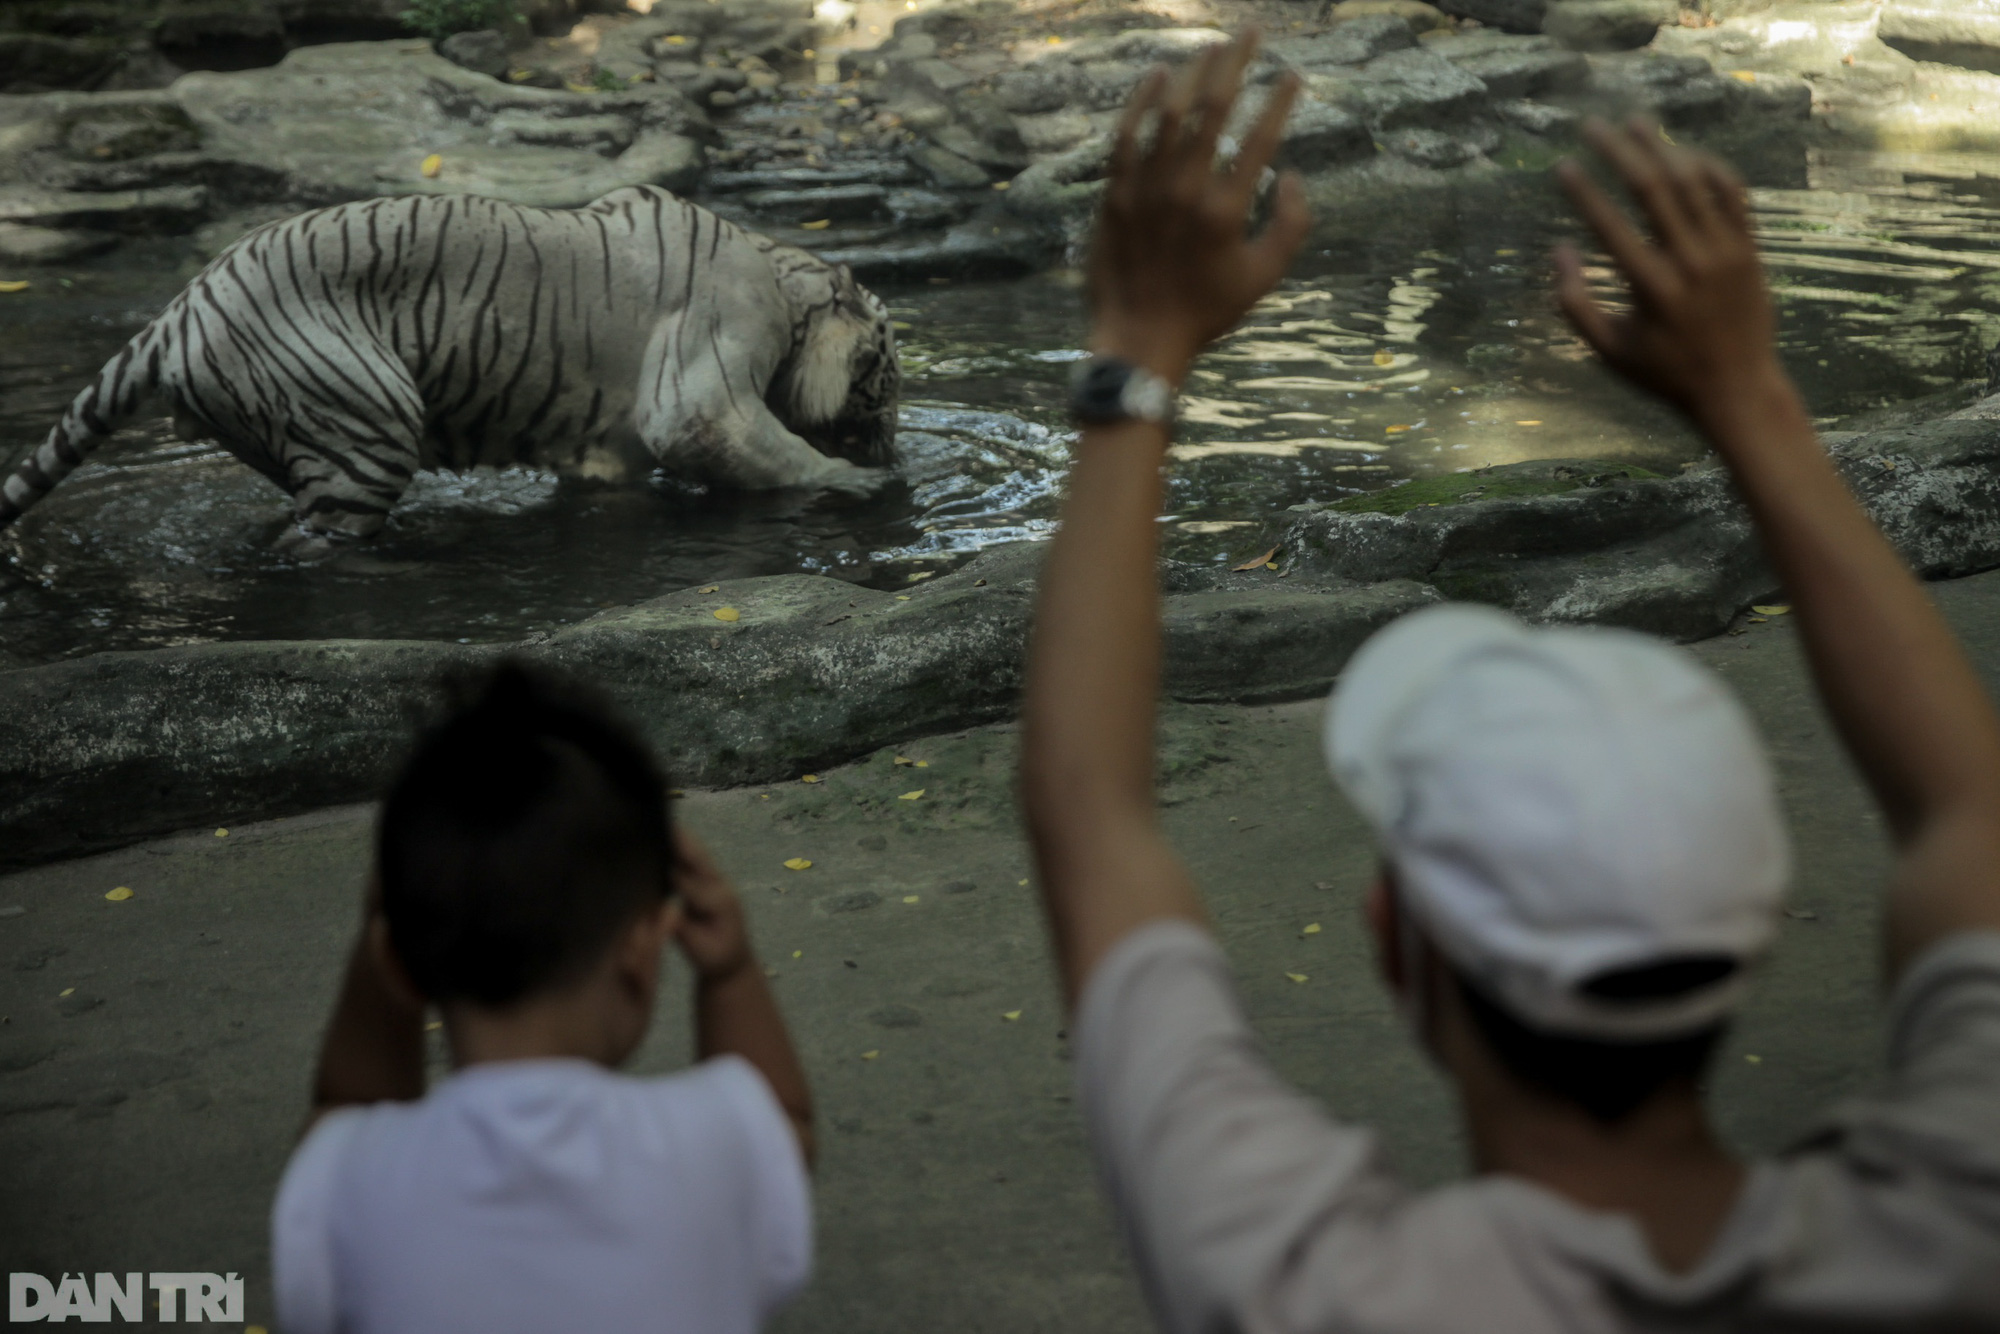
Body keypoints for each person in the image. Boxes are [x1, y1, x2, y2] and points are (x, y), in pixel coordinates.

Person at [1020, 30, 2000, 1330]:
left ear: (1392, 939)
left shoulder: (1306, 1288)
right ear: (1760, 922)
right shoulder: (1950, 1229)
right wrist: (1749, 397)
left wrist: (1136, 346)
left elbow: (1086, 808)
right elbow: (1969, 812)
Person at [270, 665, 814, 1334]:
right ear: (641, 953)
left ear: (400, 968)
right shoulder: (708, 1147)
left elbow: (345, 1113)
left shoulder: (353, 1183)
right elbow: (784, 1127)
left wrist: (385, 936)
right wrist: (729, 974)